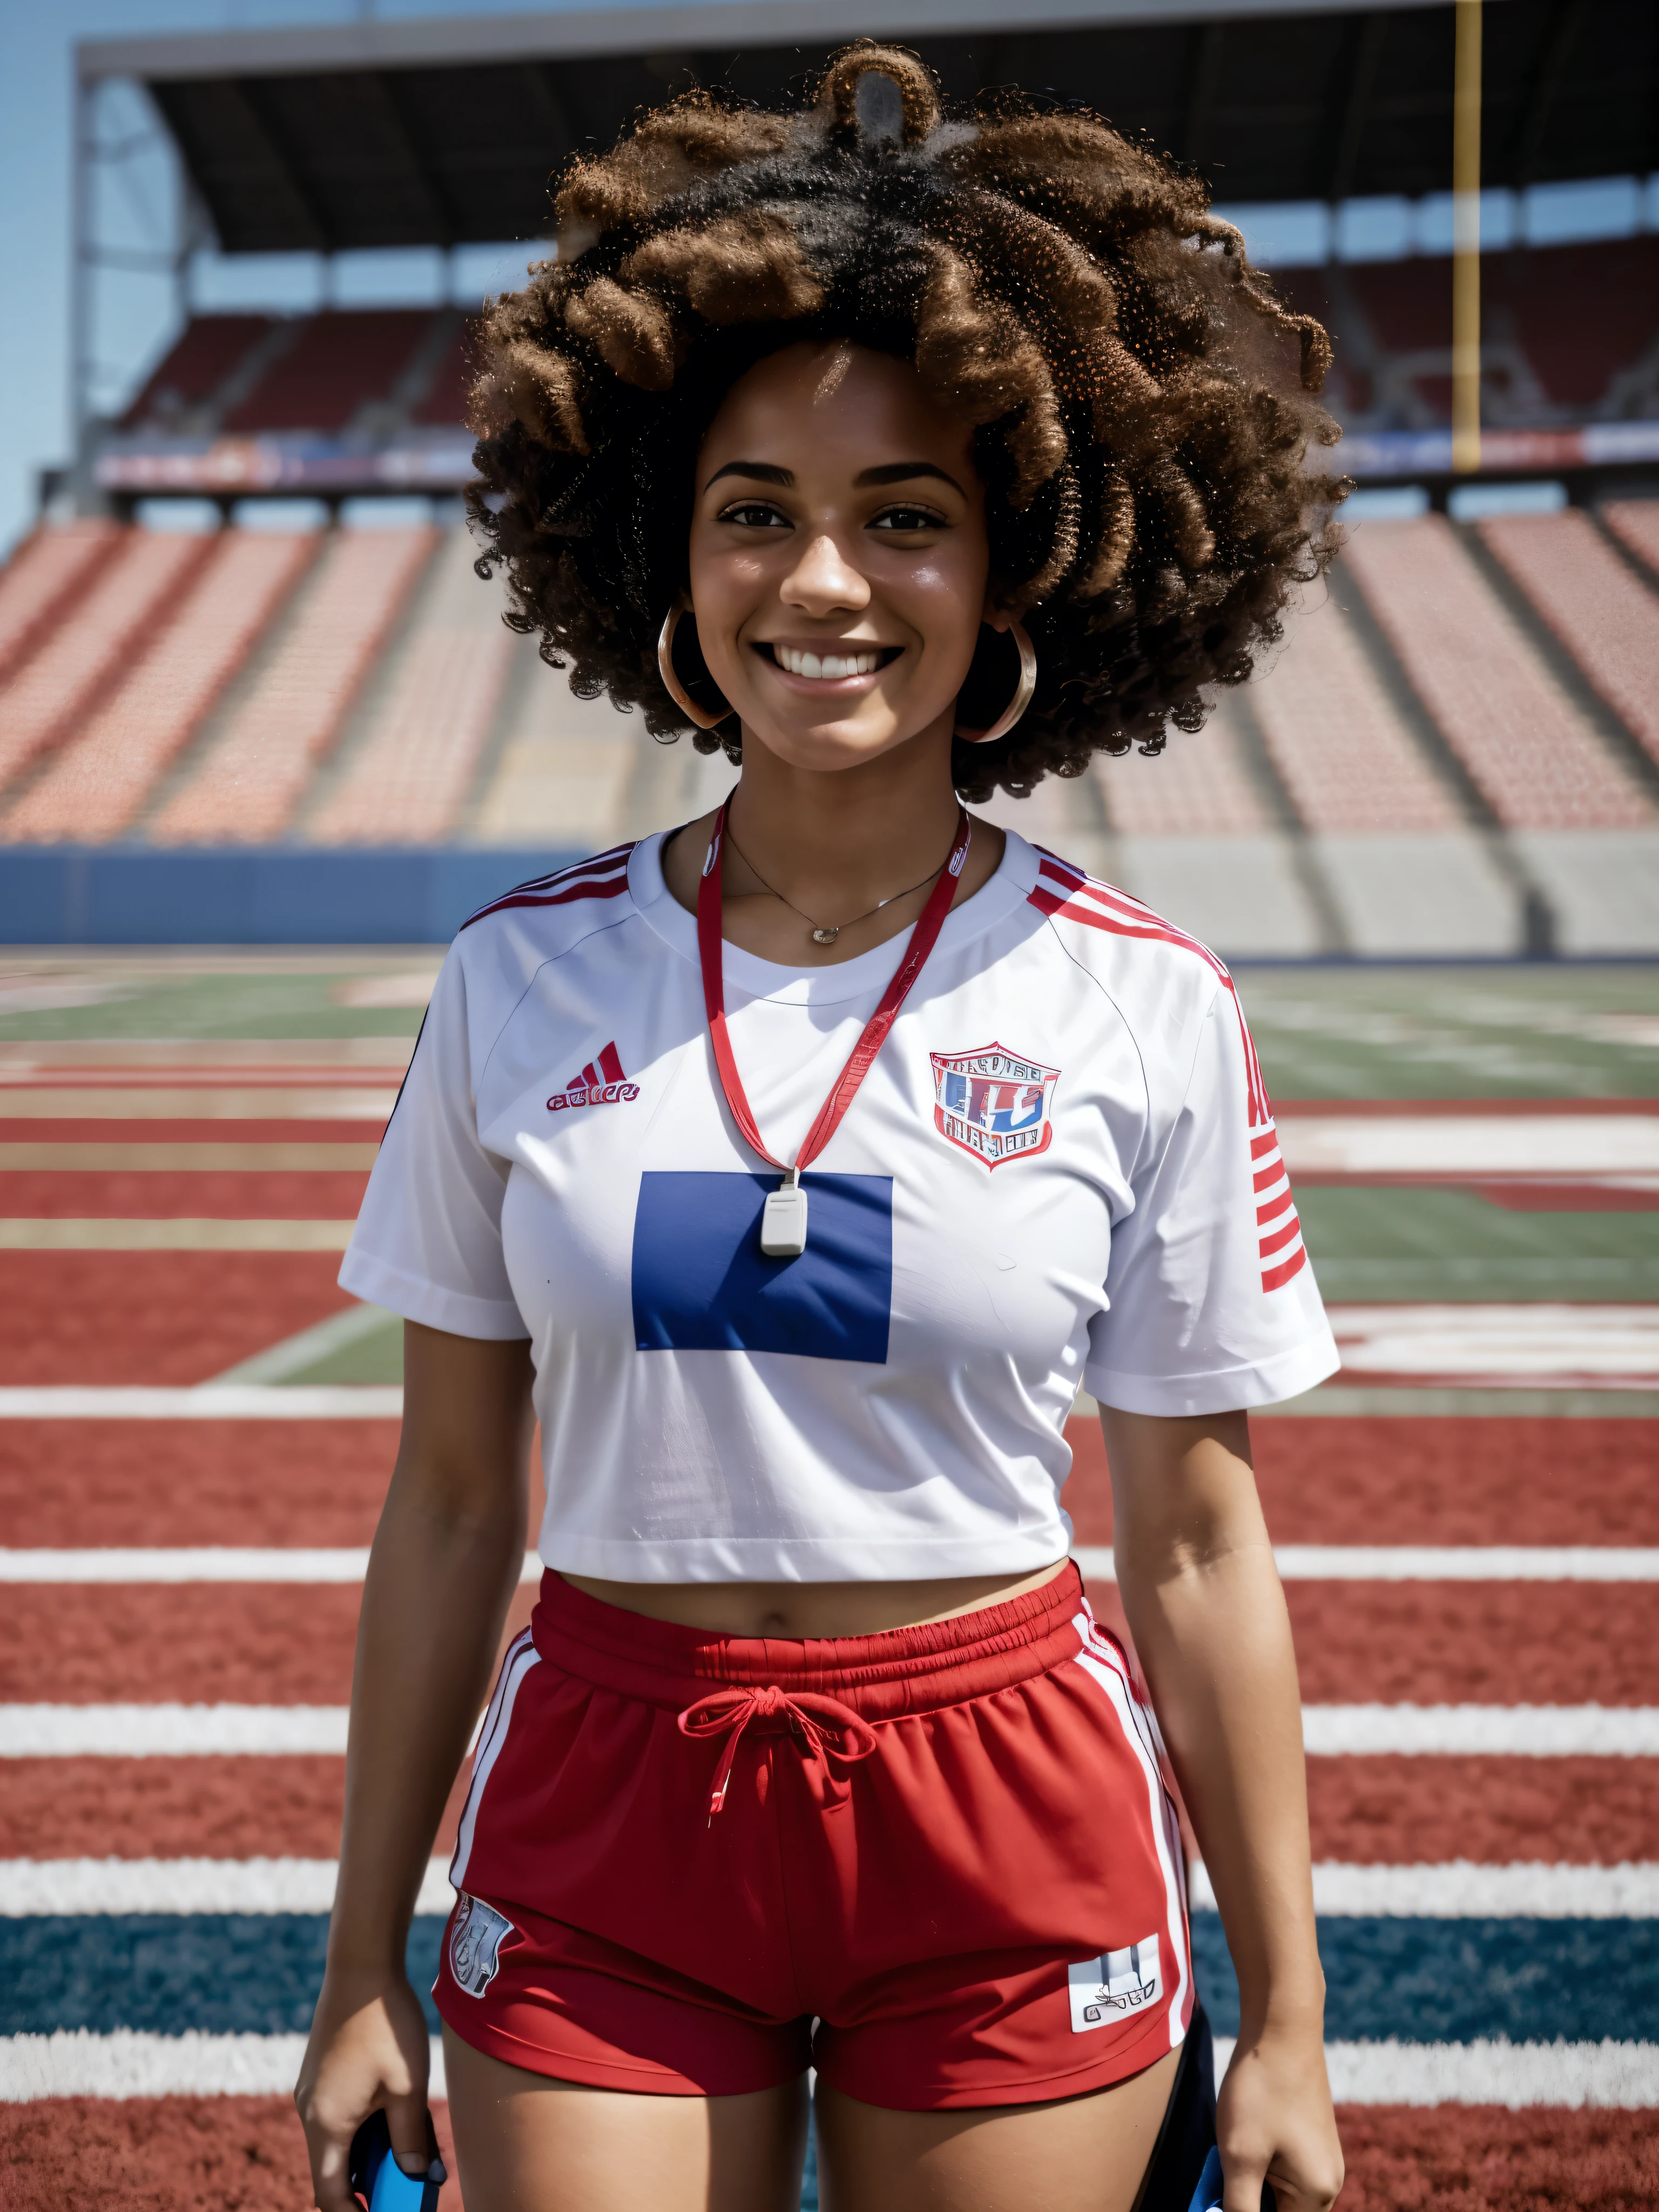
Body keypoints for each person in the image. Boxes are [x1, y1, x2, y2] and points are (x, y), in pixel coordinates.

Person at [295, 43, 1349, 2212]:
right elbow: (449, 1498)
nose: (826, 581)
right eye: (756, 509)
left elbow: (1197, 1543)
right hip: (606, 1798)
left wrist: (1299, 2024)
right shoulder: (516, 976)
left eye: (907, 515)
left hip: (1004, 1806)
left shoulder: (1145, 1000)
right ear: (667, 563)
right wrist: (352, 1966)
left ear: (1020, 562)